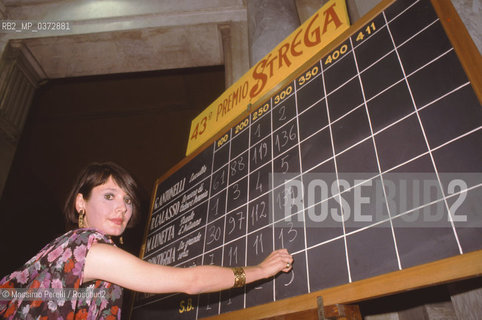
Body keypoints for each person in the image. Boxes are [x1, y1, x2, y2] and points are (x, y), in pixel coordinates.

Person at [0, 162, 293, 319]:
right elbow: (191, 282)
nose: (122, 208)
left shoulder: (65, 249)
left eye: (127, 200)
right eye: (109, 196)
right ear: (81, 202)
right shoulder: (88, 250)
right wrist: (260, 271)